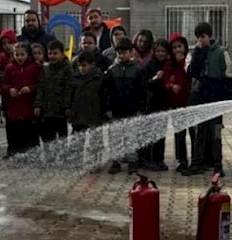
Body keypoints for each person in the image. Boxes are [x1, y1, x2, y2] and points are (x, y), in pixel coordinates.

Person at [184, 22, 232, 177]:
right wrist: (198, 53)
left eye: (203, 36)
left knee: (216, 133)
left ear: (210, 36)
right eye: (198, 37)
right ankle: (197, 163)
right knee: (200, 132)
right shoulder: (195, 53)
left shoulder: (220, 53)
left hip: (215, 98)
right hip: (200, 98)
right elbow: (192, 71)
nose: (201, 40)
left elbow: (228, 75)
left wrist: (223, 97)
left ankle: (217, 165)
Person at [105, 37, 144, 175]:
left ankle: (133, 162)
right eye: (119, 53)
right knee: (116, 136)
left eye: (124, 52)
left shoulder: (137, 70)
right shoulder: (111, 70)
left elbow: (141, 92)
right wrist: (108, 108)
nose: (121, 56)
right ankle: (116, 162)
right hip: (116, 110)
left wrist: (140, 109)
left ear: (131, 52)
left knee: (131, 136)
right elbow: (107, 91)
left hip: (132, 109)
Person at [1, 42, 41, 158]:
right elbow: (3, 84)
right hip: (13, 107)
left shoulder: (35, 67)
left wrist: (30, 88)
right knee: (13, 132)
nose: (19, 57)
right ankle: (13, 153)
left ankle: (33, 154)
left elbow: (40, 85)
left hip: (29, 106)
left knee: (31, 132)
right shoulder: (9, 68)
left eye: (22, 54)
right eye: (16, 54)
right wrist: (9, 90)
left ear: (28, 54)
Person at [139, 39, 172, 171]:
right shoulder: (148, 66)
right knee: (150, 133)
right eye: (158, 51)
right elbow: (144, 85)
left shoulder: (169, 66)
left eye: (163, 51)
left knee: (161, 133)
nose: (160, 53)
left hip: (163, 104)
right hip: (150, 104)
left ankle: (160, 159)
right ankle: (148, 160)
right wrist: (155, 79)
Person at [35, 40, 72, 142]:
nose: (52, 56)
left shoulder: (67, 69)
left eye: (55, 53)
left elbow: (68, 89)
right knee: (48, 138)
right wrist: (38, 105)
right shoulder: (45, 69)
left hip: (60, 111)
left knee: (62, 138)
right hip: (47, 110)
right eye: (50, 53)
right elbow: (41, 87)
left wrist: (67, 107)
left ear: (62, 53)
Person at [164, 33, 191, 173]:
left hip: (190, 102)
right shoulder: (169, 64)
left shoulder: (188, 60)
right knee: (179, 133)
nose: (177, 50)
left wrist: (183, 63)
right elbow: (166, 79)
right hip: (176, 104)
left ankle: (198, 160)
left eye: (180, 46)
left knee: (193, 133)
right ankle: (181, 160)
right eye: (174, 47)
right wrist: (170, 86)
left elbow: (190, 76)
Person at [69, 51, 111, 133]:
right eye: (79, 66)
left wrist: (106, 110)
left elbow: (104, 96)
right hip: (78, 117)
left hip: (94, 115)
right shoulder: (75, 78)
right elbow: (71, 95)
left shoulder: (99, 78)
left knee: (95, 141)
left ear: (92, 65)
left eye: (84, 65)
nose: (81, 68)